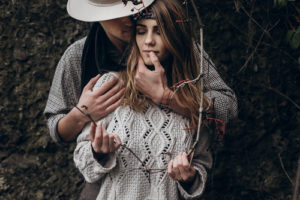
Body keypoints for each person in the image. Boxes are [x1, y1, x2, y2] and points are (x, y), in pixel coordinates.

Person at [44, 0, 237, 199]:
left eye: (131, 7)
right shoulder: (78, 55)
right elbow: (56, 129)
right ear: (98, 16)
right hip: (104, 186)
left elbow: (227, 107)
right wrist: (82, 113)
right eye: (117, 13)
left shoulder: (180, 46)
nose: (129, 17)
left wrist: (167, 98)